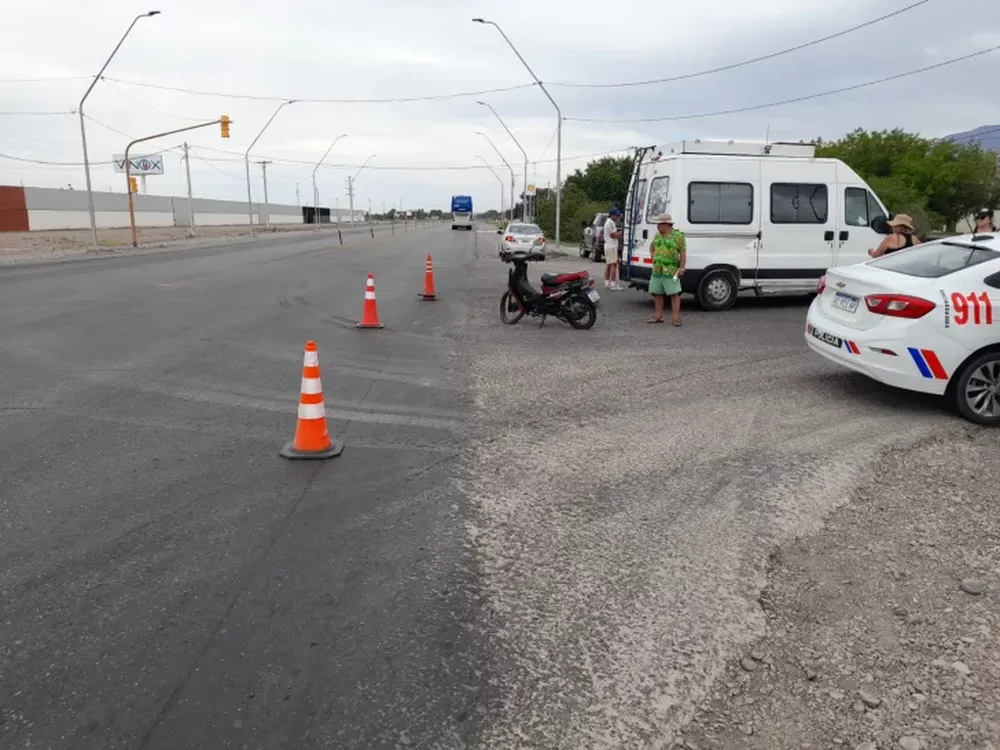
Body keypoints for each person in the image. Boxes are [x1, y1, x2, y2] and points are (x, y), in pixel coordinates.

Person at [647, 213, 686, 326]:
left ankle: (676, 318)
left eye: (659, 224)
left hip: (671, 271)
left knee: (674, 294)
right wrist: (653, 257)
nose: (658, 227)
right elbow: (652, 247)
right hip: (657, 270)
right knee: (657, 293)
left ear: (667, 224)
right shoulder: (657, 236)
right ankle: (658, 316)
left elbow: (683, 253)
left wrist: (682, 268)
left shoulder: (678, 237)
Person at [603, 208, 623, 290]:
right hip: (611, 246)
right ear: (612, 215)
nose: (617, 217)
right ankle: (613, 283)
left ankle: (607, 281)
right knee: (614, 264)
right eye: (616, 215)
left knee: (608, 264)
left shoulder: (608, 222)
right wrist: (623, 232)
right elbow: (614, 235)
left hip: (608, 245)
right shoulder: (610, 223)